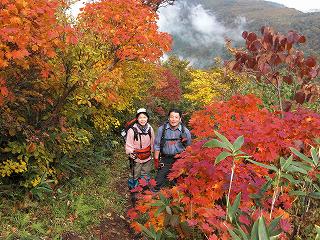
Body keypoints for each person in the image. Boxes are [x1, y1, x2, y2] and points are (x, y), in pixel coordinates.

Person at [153, 108, 192, 191]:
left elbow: (189, 147)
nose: (173, 119)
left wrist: (188, 161)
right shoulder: (162, 130)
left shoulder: (185, 131)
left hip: (180, 159)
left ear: (180, 119)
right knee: (157, 183)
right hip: (165, 159)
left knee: (180, 183)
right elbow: (157, 145)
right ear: (168, 118)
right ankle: (153, 197)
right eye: (171, 117)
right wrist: (156, 159)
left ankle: (176, 199)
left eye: (176, 117)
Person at [125, 108, 155, 191]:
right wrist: (131, 153)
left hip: (147, 155)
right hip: (136, 156)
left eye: (144, 117)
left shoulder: (150, 129)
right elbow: (129, 144)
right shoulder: (132, 130)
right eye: (140, 117)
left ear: (147, 118)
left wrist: (153, 151)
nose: (142, 119)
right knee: (135, 173)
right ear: (137, 119)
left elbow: (153, 141)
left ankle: (143, 187)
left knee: (145, 172)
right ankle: (133, 187)